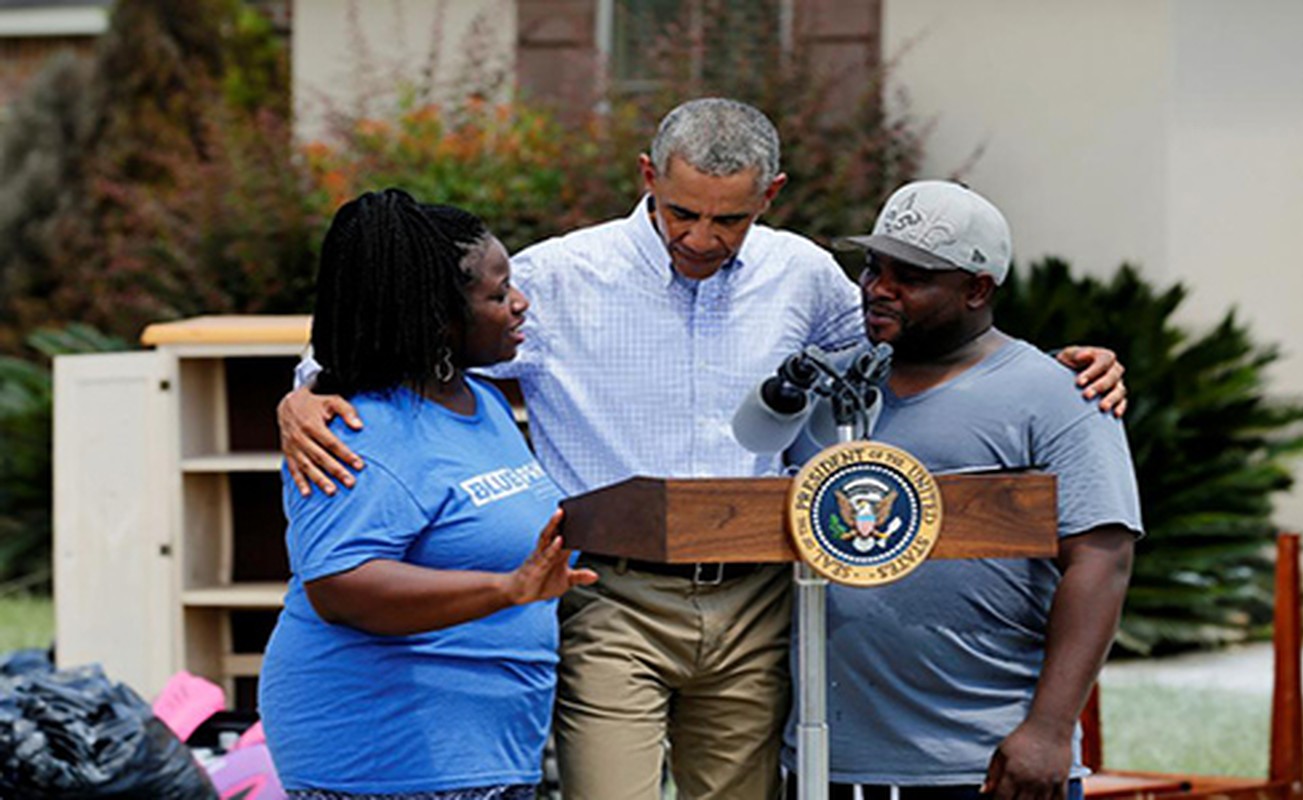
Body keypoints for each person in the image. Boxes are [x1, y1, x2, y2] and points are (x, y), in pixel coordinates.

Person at [278, 100, 1127, 800]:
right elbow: (392, 333)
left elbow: (907, 343)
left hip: (758, 597)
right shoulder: (561, 276)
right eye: (682, 211)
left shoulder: (802, 276)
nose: (700, 237)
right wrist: (300, 397)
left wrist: (1057, 369)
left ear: (772, 195)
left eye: (730, 218)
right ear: (648, 178)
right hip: (607, 596)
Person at [782, 180, 1141, 800]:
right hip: (824, 761)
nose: (878, 288)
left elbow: (1102, 559)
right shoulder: (823, 386)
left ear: (977, 288)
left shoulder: (1060, 396)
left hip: (986, 763)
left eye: (910, 276)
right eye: (873, 267)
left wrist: (1051, 731)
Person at [258, 189, 597, 800]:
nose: (519, 305)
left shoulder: (485, 402)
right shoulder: (357, 431)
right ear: (437, 318)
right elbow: (341, 586)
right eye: (497, 296)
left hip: (487, 750)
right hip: (387, 756)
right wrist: (508, 589)